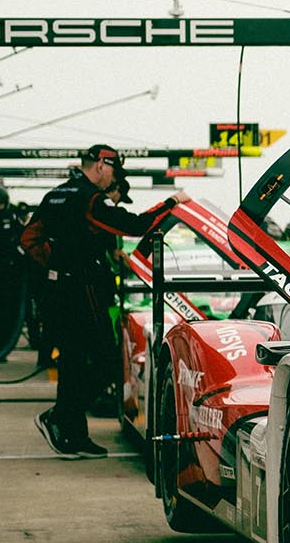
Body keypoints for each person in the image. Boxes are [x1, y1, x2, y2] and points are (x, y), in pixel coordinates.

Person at [29, 144, 188, 459]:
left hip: (58, 290)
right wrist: (172, 202)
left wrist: (55, 267)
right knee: (106, 363)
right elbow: (135, 226)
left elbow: (27, 238)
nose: (114, 177)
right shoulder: (89, 198)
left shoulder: (55, 195)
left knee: (73, 363)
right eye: (114, 170)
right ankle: (60, 416)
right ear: (101, 165)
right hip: (83, 288)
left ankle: (73, 436)